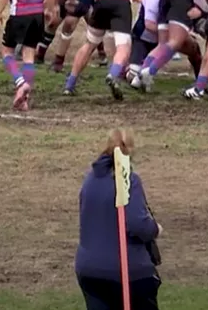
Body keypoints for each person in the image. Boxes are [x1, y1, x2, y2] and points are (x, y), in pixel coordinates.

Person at [75, 128, 162, 310]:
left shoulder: (89, 180)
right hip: (127, 272)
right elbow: (138, 224)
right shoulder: (129, 180)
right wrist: (155, 229)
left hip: (90, 271)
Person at [135, 0, 202, 92]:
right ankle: (150, 71)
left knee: (162, 44)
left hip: (164, 5)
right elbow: (196, 10)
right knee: (174, 42)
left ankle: (139, 77)